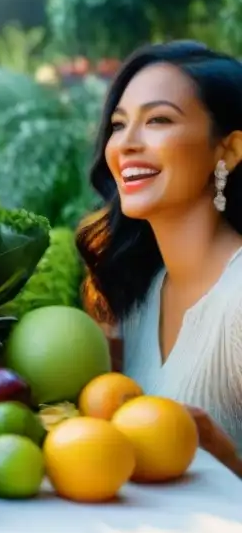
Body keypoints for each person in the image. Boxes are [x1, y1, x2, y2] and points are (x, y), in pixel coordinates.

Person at [77, 40, 242, 476]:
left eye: (159, 120)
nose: (126, 143)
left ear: (228, 151)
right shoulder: (140, 290)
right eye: (118, 124)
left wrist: (225, 459)